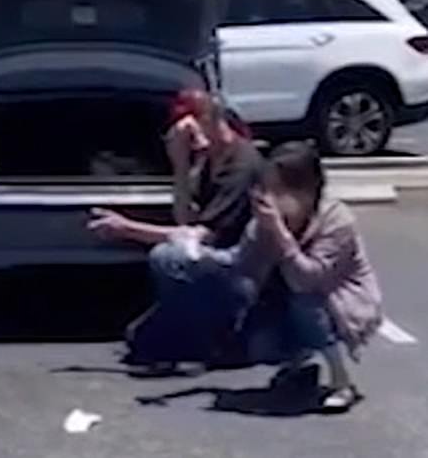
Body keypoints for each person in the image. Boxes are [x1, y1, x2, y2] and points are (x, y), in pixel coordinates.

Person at [147, 142, 382, 411]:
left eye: (277, 189)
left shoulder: (336, 221)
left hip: (340, 304)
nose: (269, 196)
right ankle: (297, 362)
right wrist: (197, 255)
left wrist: (280, 234)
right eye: (267, 188)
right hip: (287, 299)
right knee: (258, 345)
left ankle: (342, 382)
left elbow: (306, 278)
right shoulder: (265, 220)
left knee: (305, 300)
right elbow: (239, 262)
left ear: (305, 191)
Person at [88, 88, 264, 250]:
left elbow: (204, 237)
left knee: (165, 255)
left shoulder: (240, 165)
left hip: (239, 259)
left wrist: (127, 229)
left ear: (210, 120)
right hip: (215, 253)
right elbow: (185, 220)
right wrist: (181, 165)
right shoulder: (208, 161)